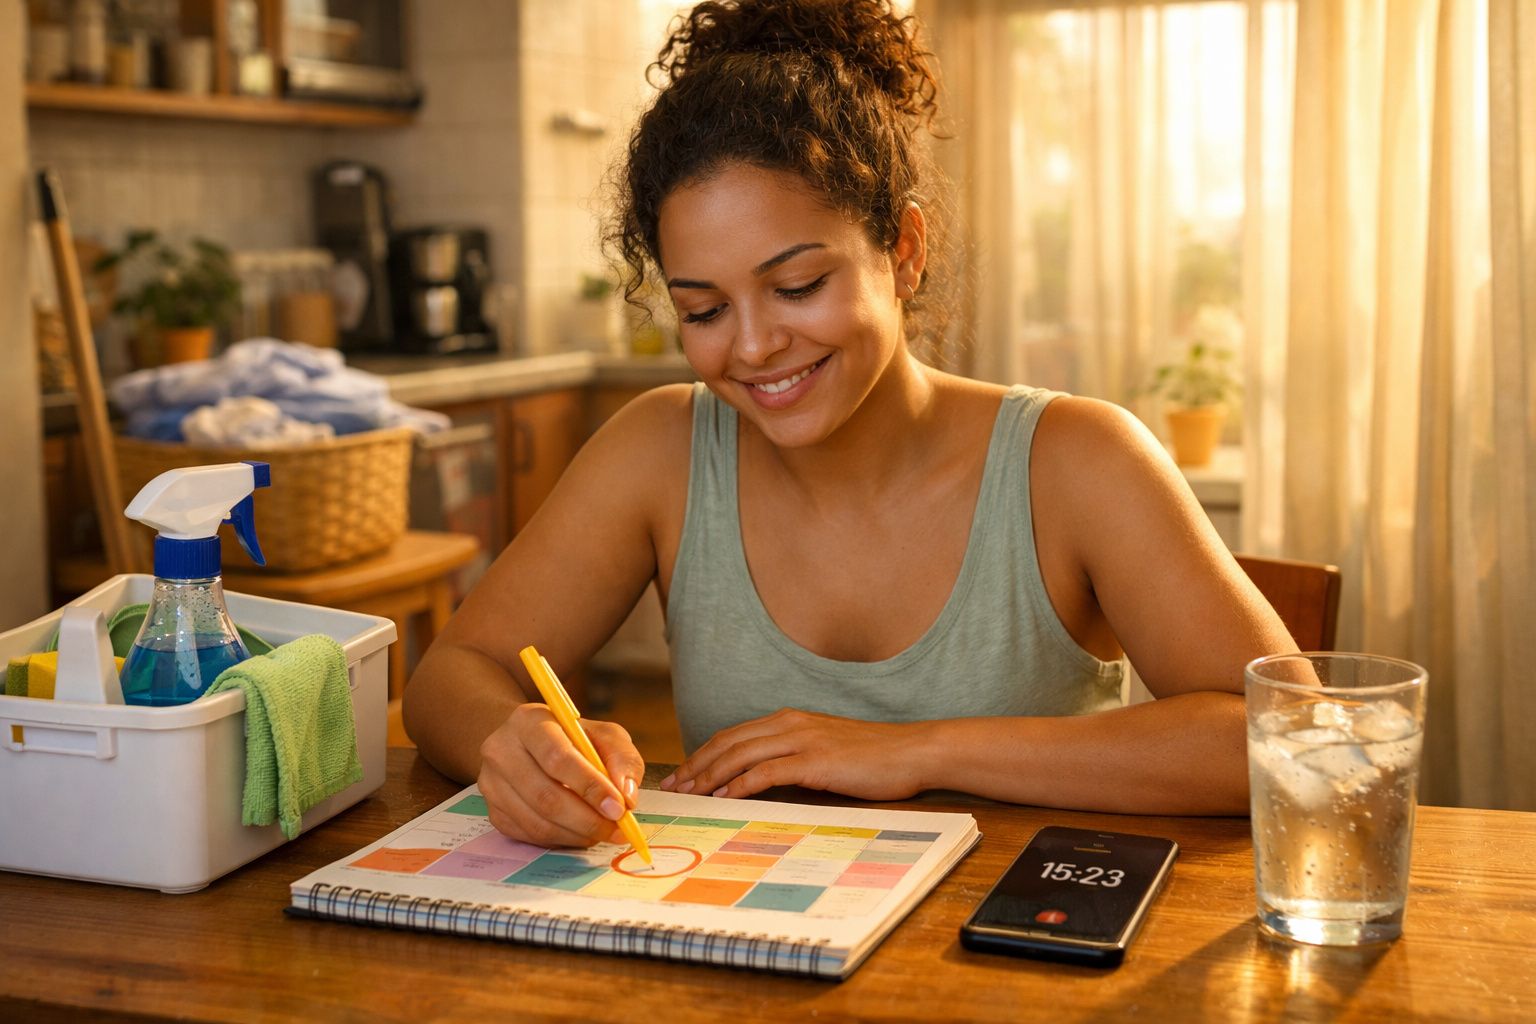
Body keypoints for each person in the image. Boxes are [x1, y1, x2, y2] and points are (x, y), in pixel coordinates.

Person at [403, 0, 1295, 851]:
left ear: (902, 252)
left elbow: (1282, 741)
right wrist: (513, 741)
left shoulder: (1076, 461)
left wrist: (919, 751)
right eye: (705, 309)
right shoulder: (661, 451)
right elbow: (451, 675)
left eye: (797, 287)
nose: (753, 346)